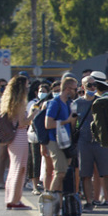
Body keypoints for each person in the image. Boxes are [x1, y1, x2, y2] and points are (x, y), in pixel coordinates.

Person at [75, 72, 108, 212]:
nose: (92, 87)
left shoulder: (102, 102)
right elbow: (73, 123)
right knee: (85, 173)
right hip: (84, 141)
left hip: (100, 141)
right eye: (89, 85)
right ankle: (89, 201)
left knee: (107, 172)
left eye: (94, 85)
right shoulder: (77, 103)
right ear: (83, 87)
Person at [42, 76, 78, 208]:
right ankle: (49, 202)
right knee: (60, 172)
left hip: (66, 141)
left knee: (64, 172)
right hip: (55, 141)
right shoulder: (55, 102)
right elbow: (48, 124)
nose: (76, 91)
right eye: (74, 89)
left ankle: (59, 203)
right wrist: (67, 121)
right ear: (67, 89)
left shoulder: (68, 103)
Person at [1, 76, 34, 210]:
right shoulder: (21, 102)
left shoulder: (9, 101)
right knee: (20, 168)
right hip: (20, 136)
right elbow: (22, 123)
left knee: (14, 168)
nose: (28, 87)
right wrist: (33, 114)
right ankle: (15, 199)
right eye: (26, 85)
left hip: (12, 137)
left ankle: (10, 198)